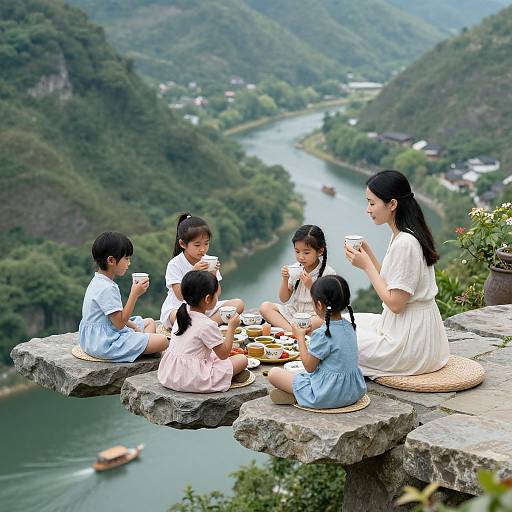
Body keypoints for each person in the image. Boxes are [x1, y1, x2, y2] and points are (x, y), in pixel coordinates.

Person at [345, 169, 450, 378]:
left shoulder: (406, 243)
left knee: (337, 340)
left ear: (392, 204)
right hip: (414, 332)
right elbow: (391, 282)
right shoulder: (403, 236)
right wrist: (369, 257)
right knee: (343, 321)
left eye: (372, 203)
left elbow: (396, 303)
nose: (368, 209)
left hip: (410, 344)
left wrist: (366, 266)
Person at [268, 275, 367, 408]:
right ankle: (297, 396)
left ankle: (300, 396)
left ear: (319, 305)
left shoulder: (323, 333)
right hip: (353, 392)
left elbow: (309, 367)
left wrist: (300, 338)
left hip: (327, 394)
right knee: (300, 375)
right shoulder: (350, 326)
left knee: (274, 374)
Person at [79, 232, 169, 362]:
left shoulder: (97, 281)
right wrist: (134, 294)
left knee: (149, 321)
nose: (129, 263)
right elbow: (120, 323)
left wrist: (134, 327)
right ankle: (146, 348)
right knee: (163, 341)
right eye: (126, 258)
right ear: (111, 260)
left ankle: (145, 347)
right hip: (105, 344)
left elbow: (114, 315)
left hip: (91, 340)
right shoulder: (108, 288)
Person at [158, 270, 249, 392]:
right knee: (242, 360)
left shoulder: (181, 314)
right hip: (193, 378)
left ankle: (230, 376)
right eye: (215, 295)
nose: (217, 297)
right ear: (207, 299)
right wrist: (231, 328)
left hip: (170, 374)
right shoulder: (207, 324)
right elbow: (224, 355)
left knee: (212, 355)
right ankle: (229, 377)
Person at [160, 213, 244, 328]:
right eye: (197, 245)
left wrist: (213, 275)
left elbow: (217, 293)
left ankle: (202, 325)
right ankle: (205, 325)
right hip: (181, 308)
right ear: (182, 244)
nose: (203, 249)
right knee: (178, 317)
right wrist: (192, 273)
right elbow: (180, 296)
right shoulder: (175, 264)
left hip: (205, 307)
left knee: (238, 304)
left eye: (206, 243)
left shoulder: (209, 261)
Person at [260, 224, 336, 331]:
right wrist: (285, 279)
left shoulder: (328, 273)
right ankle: (292, 331)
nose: (301, 257)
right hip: (294, 312)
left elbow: (327, 306)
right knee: (265, 307)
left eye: (306, 252)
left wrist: (311, 286)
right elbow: (284, 299)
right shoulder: (295, 268)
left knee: (321, 321)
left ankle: (292, 330)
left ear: (320, 251)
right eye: (297, 251)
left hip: (313, 315)